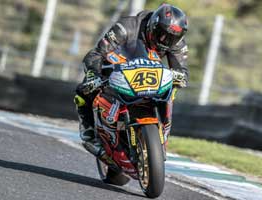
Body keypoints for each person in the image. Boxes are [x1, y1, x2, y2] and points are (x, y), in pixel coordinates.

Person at [74, 3, 189, 158]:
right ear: (153, 26)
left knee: (172, 89)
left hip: (151, 77)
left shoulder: (175, 41)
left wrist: (180, 77)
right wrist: (94, 74)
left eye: (173, 38)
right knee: (84, 89)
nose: (166, 41)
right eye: (162, 34)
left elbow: (182, 70)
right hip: (118, 68)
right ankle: (88, 130)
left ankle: (163, 132)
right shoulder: (125, 27)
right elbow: (97, 53)